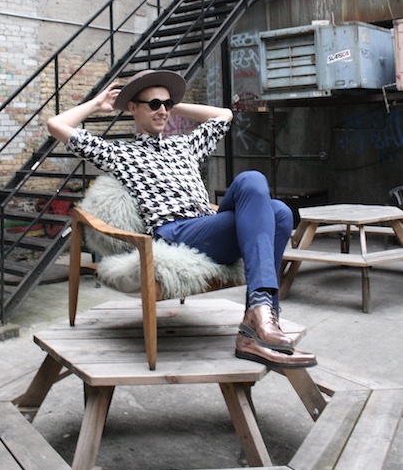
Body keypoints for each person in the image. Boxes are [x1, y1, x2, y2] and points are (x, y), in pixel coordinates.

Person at [47, 69, 316, 368]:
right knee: (273, 207)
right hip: (174, 233)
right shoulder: (120, 154)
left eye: (166, 104)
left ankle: (259, 317)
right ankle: (260, 321)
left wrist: (176, 103)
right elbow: (55, 124)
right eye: (153, 104)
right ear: (133, 108)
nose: (162, 110)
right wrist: (97, 103)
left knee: (274, 206)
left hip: (207, 226)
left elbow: (223, 115)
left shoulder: (183, 145)